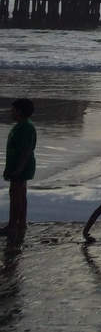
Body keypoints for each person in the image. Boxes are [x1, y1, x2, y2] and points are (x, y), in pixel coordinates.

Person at [2, 98, 36, 235]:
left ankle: (12, 225)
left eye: (13, 110)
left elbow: (26, 149)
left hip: (22, 166)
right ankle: (21, 224)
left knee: (15, 194)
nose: (11, 112)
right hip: (19, 165)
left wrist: (19, 167)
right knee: (21, 194)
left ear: (19, 111)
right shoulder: (23, 125)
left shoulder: (26, 126)